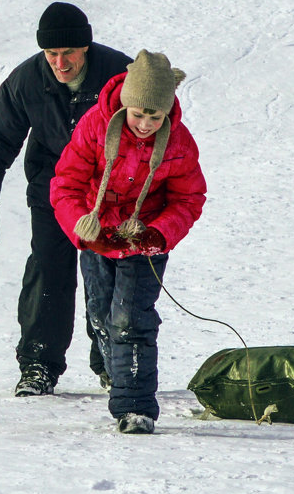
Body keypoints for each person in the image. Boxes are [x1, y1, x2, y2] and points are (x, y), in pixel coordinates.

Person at [0, 2, 132, 397]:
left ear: (85, 47)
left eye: (68, 53)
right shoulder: (27, 80)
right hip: (53, 191)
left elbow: (155, 129)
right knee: (48, 271)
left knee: (109, 278)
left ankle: (112, 363)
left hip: (109, 196)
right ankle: (39, 364)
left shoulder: (121, 76)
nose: (60, 62)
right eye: (52, 54)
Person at [50, 50, 207, 434]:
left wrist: (160, 233)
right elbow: (65, 184)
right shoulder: (94, 127)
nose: (145, 125)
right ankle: (112, 369)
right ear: (124, 106)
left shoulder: (178, 143)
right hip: (97, 234)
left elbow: (189, 198)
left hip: (143, 242)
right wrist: (83, 227)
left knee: (131, 319)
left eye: (156, 117)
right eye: (139, 115)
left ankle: (134, 407)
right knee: (101, 314)